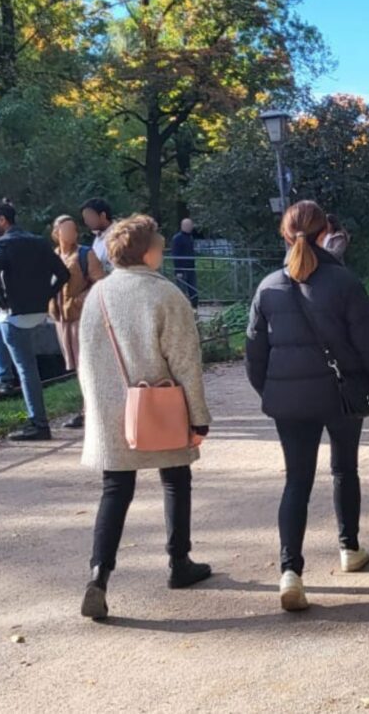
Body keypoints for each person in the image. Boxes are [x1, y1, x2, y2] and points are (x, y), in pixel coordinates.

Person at [245, 200, 369, 612]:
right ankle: (349, 547)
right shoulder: (344, 282)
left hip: (289, 402)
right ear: (324, 232)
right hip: (341, 394)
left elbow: (254, 354)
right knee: (344, 468)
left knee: (297, 480)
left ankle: (290, 570)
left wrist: (272, 392)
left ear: (285, 233)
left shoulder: (268, 286)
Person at [77, 214, 213, 621]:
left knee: (115, 490)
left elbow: (85, 361)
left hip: (110, 412)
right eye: (158, 241)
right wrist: (198, 417)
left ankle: (99, 576)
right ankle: (179, 562)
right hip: (161, 408)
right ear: (146, 251)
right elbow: (185, 362)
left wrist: (94, 409)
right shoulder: (166, 295)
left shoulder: (96, 296)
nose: (163, 247)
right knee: (176, 480)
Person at [0, 200, 70, 441]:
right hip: (37, 313)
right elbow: (64, 274)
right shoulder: (39, 242)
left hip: (15, 316)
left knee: (27, 369)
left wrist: (2, 303)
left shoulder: (1, 243)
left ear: (2, 220)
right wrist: (46, 297)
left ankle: (39, 425)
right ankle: (3, 377)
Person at [49, 215, 104, 430]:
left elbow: (100, 282)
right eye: (65, 229)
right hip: (61, 318)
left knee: (86, 364)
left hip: (81, 316)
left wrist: (80, 299)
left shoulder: (84, 254)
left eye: (73, 229)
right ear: (56, 233)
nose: (70, 234)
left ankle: (89, 411)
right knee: (75, 366)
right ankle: (87, 409)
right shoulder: (53, 255)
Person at [81, 198, 115, 273]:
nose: (86, 222)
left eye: (89, 217)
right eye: (85, 219)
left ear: (103, 215)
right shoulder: (98, 237)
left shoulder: (119, 236)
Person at [170, 218, 198, 307]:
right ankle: (181, 311)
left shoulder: (190, 237)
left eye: (191, 225)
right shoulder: (177, 238)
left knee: (193, 290)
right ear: (183, 226)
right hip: (182, 269)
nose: (191, 227)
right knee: (181, 292)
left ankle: (194, 308)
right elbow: (175, 255)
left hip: (191, 268)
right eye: (188, 225)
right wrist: (178, 271)